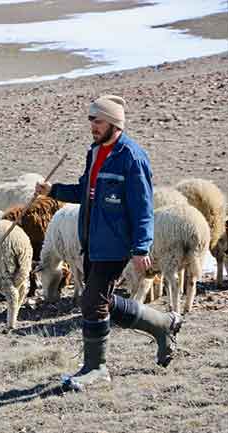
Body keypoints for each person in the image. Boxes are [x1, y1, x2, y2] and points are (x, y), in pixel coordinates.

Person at [35, 95, 183, 391]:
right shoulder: (95, 152)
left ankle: (96, 369)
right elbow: (84, 192)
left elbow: (143, 208)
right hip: (91, 241)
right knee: (99, 300)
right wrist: (53, 190)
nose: (92, 125)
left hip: (115, 245)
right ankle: (163, 324)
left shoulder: (132, 157)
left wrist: (142, 248)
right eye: (90, 120)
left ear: (114, 122)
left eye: (97, 120)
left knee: (91, 302)